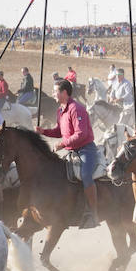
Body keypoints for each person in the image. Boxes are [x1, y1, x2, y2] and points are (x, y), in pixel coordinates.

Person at [36, 79, 100, 229]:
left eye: (55, 91)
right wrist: (44, 132)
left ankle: (94, 213)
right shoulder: (60, 110)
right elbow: (60, 131)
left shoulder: (76, 109)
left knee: (85, 175)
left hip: (86, 150)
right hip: (71, 151)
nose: (53, 93)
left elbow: (81, 134)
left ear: (64, 93)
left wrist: (61, 144)